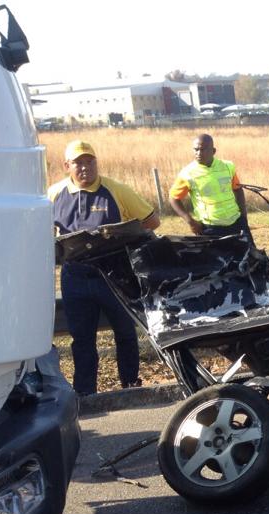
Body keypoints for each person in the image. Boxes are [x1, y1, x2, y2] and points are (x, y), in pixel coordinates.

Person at [49, 140, 159, 396]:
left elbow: (152, 221)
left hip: (113, 275)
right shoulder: (54, 194)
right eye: (78, 162)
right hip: (75, 278)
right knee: (82, 340)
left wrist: (125, 237)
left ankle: (130, 386)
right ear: (67, 166)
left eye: (90, 161)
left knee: (125, 333)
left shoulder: (115, 189)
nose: (85, 167)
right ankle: (86, 394)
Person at [170, 134, 251, 239]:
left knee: (251, 254)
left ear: (213, 151)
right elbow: (173, 198)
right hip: (210, 228)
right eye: (196, 149)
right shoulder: (187, 173)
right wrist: (191, 222)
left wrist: (243, 215)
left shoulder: (227, 166)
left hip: (236, 222)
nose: (199, 153)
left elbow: (238, 189)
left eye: (203, 150)